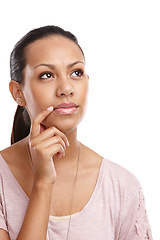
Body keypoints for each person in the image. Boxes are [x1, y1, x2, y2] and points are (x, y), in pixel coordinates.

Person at [0, 25, 152, 240]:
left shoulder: (122, 186)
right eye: (46, 75)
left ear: (87, 82)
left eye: (76, 72)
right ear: (18, 93)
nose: (66, 88)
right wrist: (43, 183)